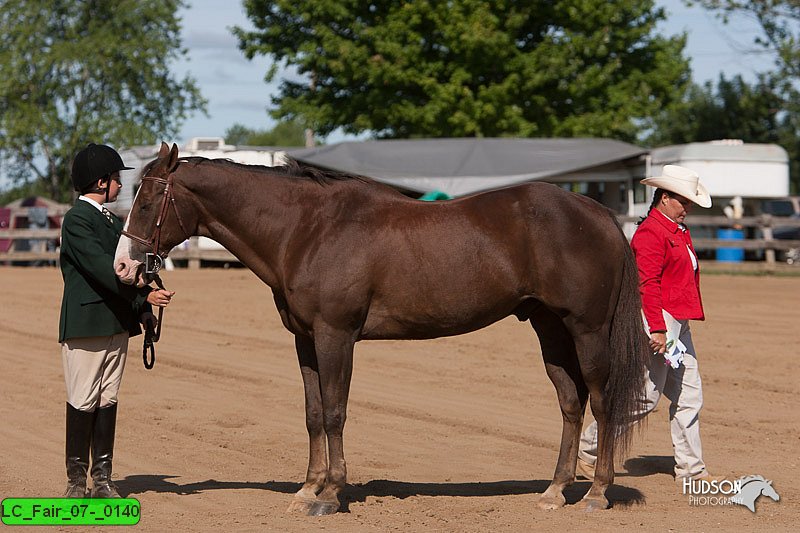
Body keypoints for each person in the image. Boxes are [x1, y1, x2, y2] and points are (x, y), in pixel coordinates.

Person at [576, 164, 717, 483]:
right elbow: (646, 284)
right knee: (644, 397)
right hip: (660, 322)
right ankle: (589, 450)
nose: (688, 207)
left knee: (689, 394)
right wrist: (657, 328)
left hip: (676, 324)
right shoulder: (653, 233)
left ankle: (691, 469)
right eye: (684, 201)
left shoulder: (674, 228)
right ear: (665, 198)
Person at [59, 143, 175, 498]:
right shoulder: (78, 219)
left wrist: (142, 308)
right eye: (116, 180)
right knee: (83, 399)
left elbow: (129, 267)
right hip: (87, 323)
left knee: (107, 398)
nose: (120, 186)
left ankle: (103, 480)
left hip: (113, 323)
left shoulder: (109, 220)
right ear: (99, 181)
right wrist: (143, 295)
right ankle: (77, 484)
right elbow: (103, 269)